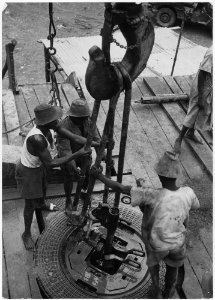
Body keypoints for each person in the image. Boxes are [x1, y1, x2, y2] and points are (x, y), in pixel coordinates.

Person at [91, 151, 200, 298]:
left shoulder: (150, 194)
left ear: (160, 176)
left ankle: (155, 287)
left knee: (153, 264)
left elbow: (120, 188)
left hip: (156, 244)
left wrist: (99, 176)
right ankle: (168, 291)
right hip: (177, 243)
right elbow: (194, 206)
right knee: (173, 268)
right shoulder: (188, 192)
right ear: (177, 176)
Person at [15, 103, 92, 250]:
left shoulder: (52, 127)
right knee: (30, 204)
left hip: (40, 165)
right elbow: (51, 163)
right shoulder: (37, 139)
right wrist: (77, 154)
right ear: (47, 122)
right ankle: (26, 234)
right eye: (55, 118)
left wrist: (97, 143)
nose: (59, 120)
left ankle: (42, 204)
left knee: (43, 187)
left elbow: (75, 138)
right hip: (28, 171)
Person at [56, 97, 101, 216]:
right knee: (69, 176)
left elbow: (96, 138)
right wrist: (74, 167)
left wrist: (103, 155)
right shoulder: (63, 127)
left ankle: (84, 192)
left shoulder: (89, 121)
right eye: (80, 118)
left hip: (85, 156)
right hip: (70, 157)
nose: (84, 120)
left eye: (85, 118)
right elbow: (66, 151)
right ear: (73, 116)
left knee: (86, 176)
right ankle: (68, 200)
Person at [174, 46, 212, 154]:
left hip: (209, 86)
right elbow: (202, 75)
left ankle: (191, 133)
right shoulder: (212, 54)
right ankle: (179, 139)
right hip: (202, 87)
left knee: (202, 112)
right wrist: (201, 97)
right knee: (193, 112)